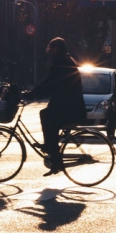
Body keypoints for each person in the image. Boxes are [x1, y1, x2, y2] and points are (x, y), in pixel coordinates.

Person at [23, 37, 87, 175]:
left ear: (57, 48)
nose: (49, 50)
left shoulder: (62, 62)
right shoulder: (65, 60)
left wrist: (32, 94)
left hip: (70, 108)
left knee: (46, 116)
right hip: (69, 105)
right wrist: (35, 93)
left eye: (51, 47)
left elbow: (50, 83)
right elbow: (51, 84)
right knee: (47, 115)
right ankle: (52, 152)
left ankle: (53, 153)